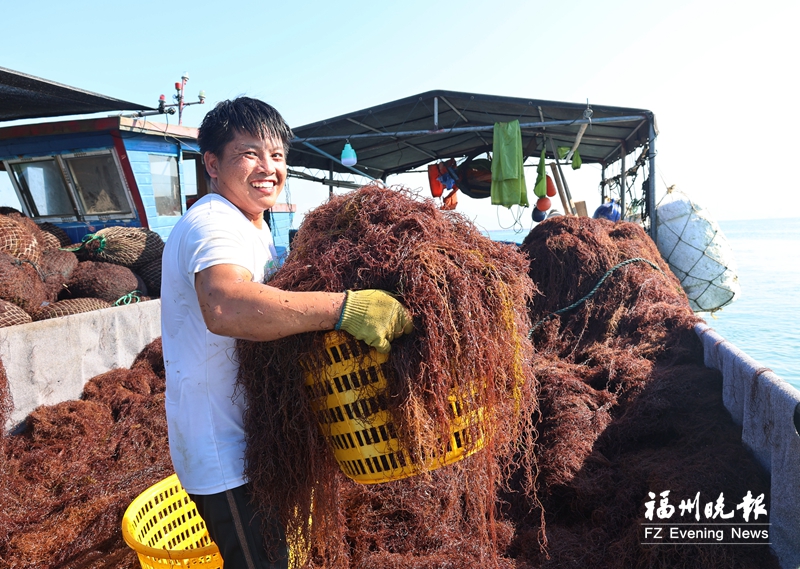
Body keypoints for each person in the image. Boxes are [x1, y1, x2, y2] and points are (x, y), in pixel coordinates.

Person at [160, 97, 413, 569]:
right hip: (225, 456)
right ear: (212, 163)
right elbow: (225, 305)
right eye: (250, 153)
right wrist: (345, 308)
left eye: (277, 155)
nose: (268, 167)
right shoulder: (212, 220)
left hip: (255, 440)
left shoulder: (253, 225)